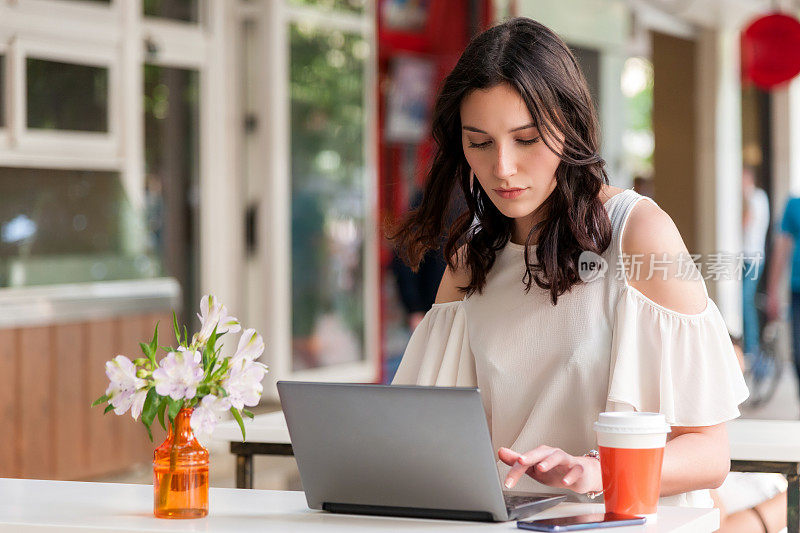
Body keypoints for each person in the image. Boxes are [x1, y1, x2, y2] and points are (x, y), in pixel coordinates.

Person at [387, 17, 748, 507]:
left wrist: (599, 470)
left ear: (569, 128)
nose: (503, 168)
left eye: (527, 139)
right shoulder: (472, 258)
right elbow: (420, 429)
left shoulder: (639, 232)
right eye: (480, 142)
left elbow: (710, 455)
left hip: (622, 520)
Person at [711, 335, 787, 533]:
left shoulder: (737, 437)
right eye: (726, 378)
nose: (739, 392)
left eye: (740, 377)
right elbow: (720, 531)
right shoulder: (696, 449)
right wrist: (791, 502)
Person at [741, 167, 770, 362]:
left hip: (752, 258)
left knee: (746, 301)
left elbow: (745, 222)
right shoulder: (754, 198)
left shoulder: (756, 198)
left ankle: (752, 347)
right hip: (745, 257)